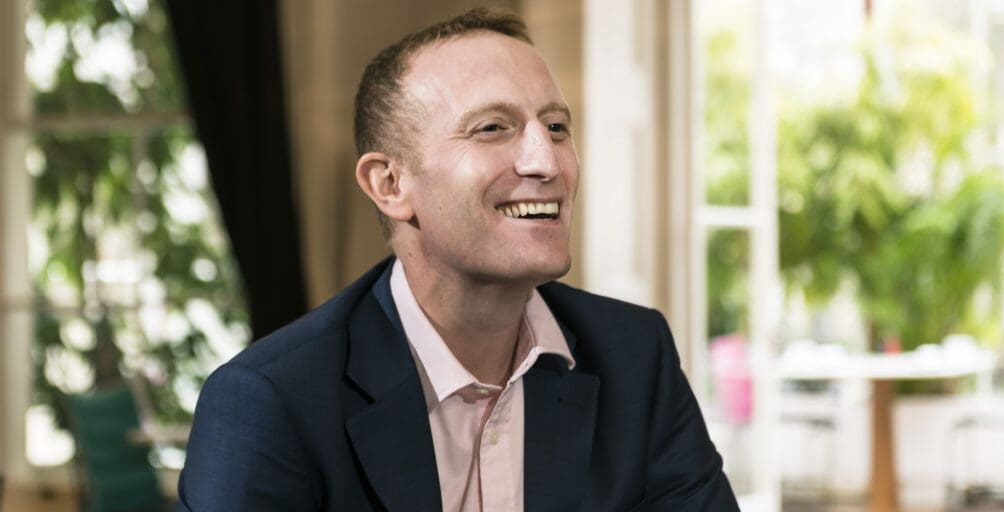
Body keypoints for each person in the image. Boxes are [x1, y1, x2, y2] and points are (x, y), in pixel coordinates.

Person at [176, 8, 738, 512]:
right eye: (492, 128)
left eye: (556, 128)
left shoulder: (635, 356)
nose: (547, 162)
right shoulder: (270, 401)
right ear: (390, 184)